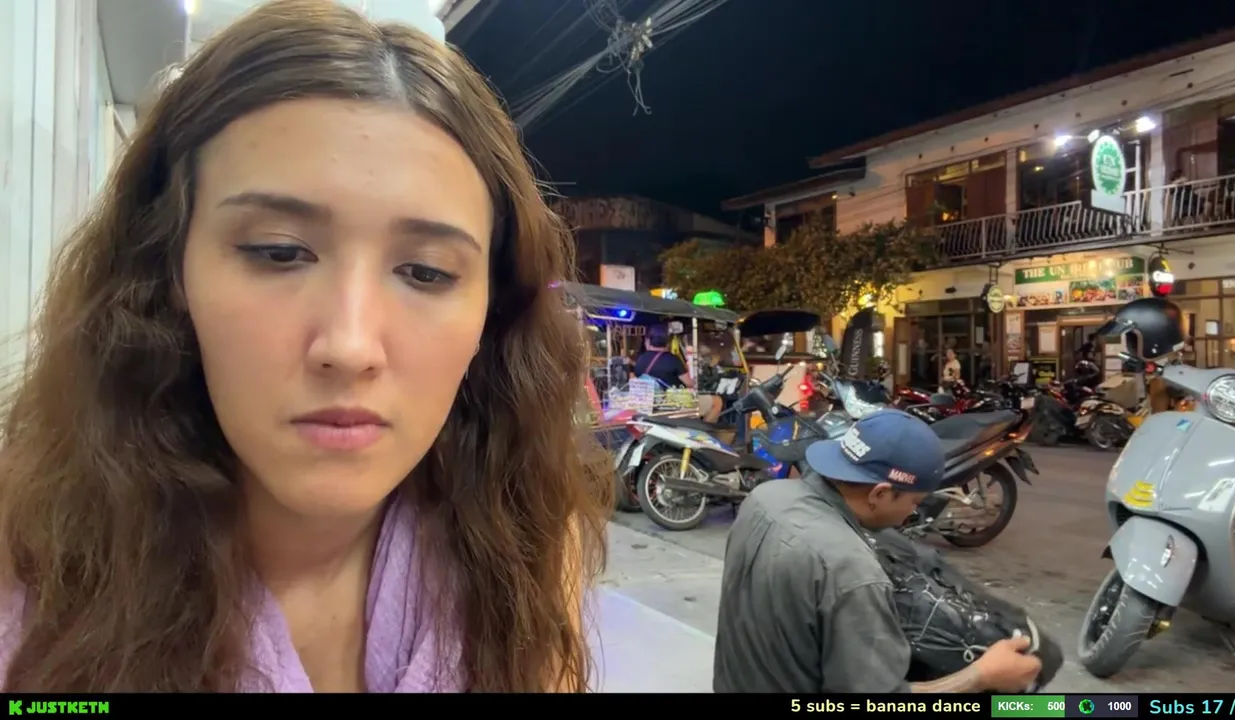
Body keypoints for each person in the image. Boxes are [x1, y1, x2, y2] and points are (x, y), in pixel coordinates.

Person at [0, 0, 611, 693]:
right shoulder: (30, 569)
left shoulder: (527, 547)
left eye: (426, 272)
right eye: (279, 252)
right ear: (170, 270)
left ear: (491, 311)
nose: (349, 347)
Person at [714, 409, 1042, 693]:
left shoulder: (766, 497)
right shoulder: (852, 571)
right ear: (880, 494)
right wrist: (980, 676)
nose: (913, 512)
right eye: (915, 501)